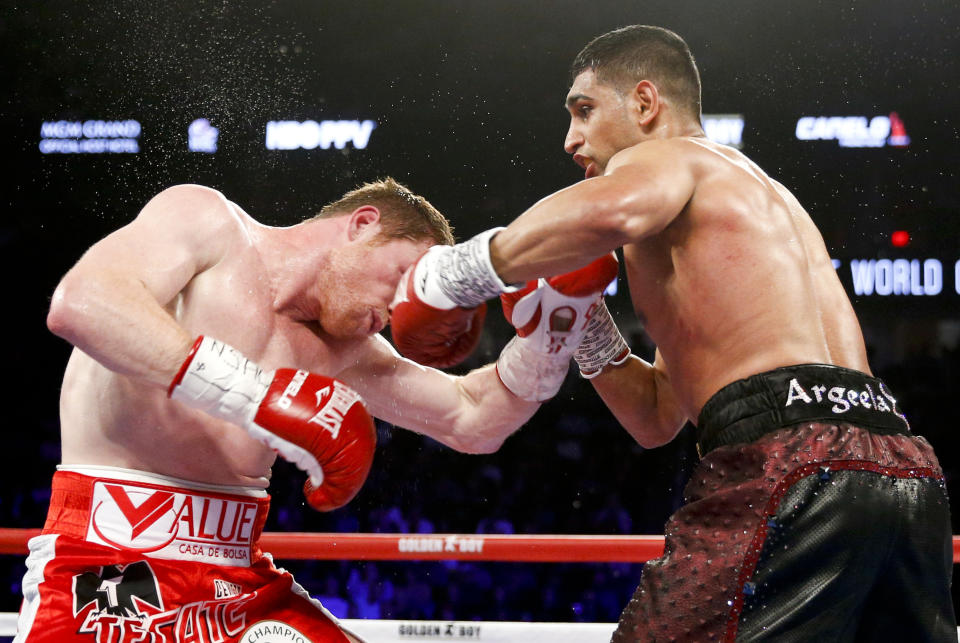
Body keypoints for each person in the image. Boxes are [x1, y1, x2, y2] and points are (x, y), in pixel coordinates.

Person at [398, 26, 957, 641]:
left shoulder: (669, 157)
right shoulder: (752, 209)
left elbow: (612, 210)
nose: (571, 138)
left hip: (788, 464)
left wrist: (453, 273)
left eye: (584, 110)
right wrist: (586, 320)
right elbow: (659, 415)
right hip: (904, 473)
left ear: (644, 104)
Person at [19, 177, 619, 642]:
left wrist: (550, 338)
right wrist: (254, 395)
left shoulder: (346, 346)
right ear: (362, 224)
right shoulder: (208, 222)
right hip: (109, 567)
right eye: (403, 277)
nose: (397, 311)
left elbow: (472, 420)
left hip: (237, 580)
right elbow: (84, 303)